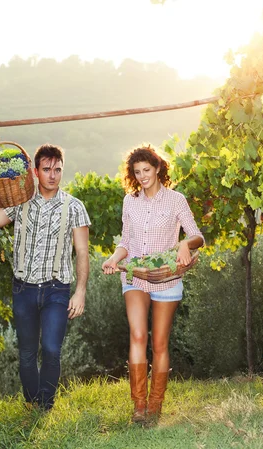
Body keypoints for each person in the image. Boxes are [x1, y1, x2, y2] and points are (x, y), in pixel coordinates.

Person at [0, 143, 91, 411]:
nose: (53, 175)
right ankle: (31, 403)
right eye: (47, 169)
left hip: (56, 290)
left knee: (51, 349)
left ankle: (46, 406)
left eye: (58, 170)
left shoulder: (75, 207)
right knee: (26, 353)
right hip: (23, 289)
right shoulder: (19, 202)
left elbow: (82, 252)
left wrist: (80, 291)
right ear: (35, 172)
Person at [102, 144, 204, 424]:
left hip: (166, 278)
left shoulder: (176, 200)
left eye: (147, 170)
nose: (143, 176)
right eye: (137, 172)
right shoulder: (129, 201)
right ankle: (139, 405)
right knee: (137, 335)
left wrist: (184, 243)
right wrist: (114, 258)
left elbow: (197, 236)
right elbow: (125, 241)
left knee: (159, 343)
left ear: (158, 168)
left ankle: (155, 405)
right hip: (134, 275)